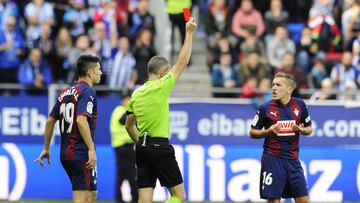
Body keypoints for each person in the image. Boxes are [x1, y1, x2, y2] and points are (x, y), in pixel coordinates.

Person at [125, 17, 197, 203]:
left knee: (144, 199)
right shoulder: (161, 86)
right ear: (163, 73)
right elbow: (182, 61)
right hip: (160, 146)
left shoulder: (136, 94)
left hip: (142, 148)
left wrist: (140, 142)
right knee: (178, 196)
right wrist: (188, 33)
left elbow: (128, 125)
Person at [34, 55, 102, 203]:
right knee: (81, 199)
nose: (101, 73)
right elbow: (81, 119)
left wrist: (46, 148)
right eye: (98, 69)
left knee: (91, 194)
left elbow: (50, 121)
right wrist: (91, 149)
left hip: (66, 153)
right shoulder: (88, 92)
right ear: (90, 72)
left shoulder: (66, 92)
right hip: (80, 152)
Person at [249, 72, 313, 203]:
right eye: (273, 85)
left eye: (278, 85)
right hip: (273, 159)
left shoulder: (300, 105)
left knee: (304, 200)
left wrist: (302, 130)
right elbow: (252, 132)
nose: (273, 88)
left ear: (289, 89)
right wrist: (268, 132)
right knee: (274, 201)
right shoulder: (265, 108)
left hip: (293, 160)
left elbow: (309, 128)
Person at [110, 93, 138, 203]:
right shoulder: (122, 110)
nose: (130, 102)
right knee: (131, 173)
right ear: (124, 100)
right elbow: (123, 121)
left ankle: (119, 199)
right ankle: (135, 198)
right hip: (124, 147)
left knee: (121, 174)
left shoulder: (117, 110)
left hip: (120, 147)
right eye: (129, 100)